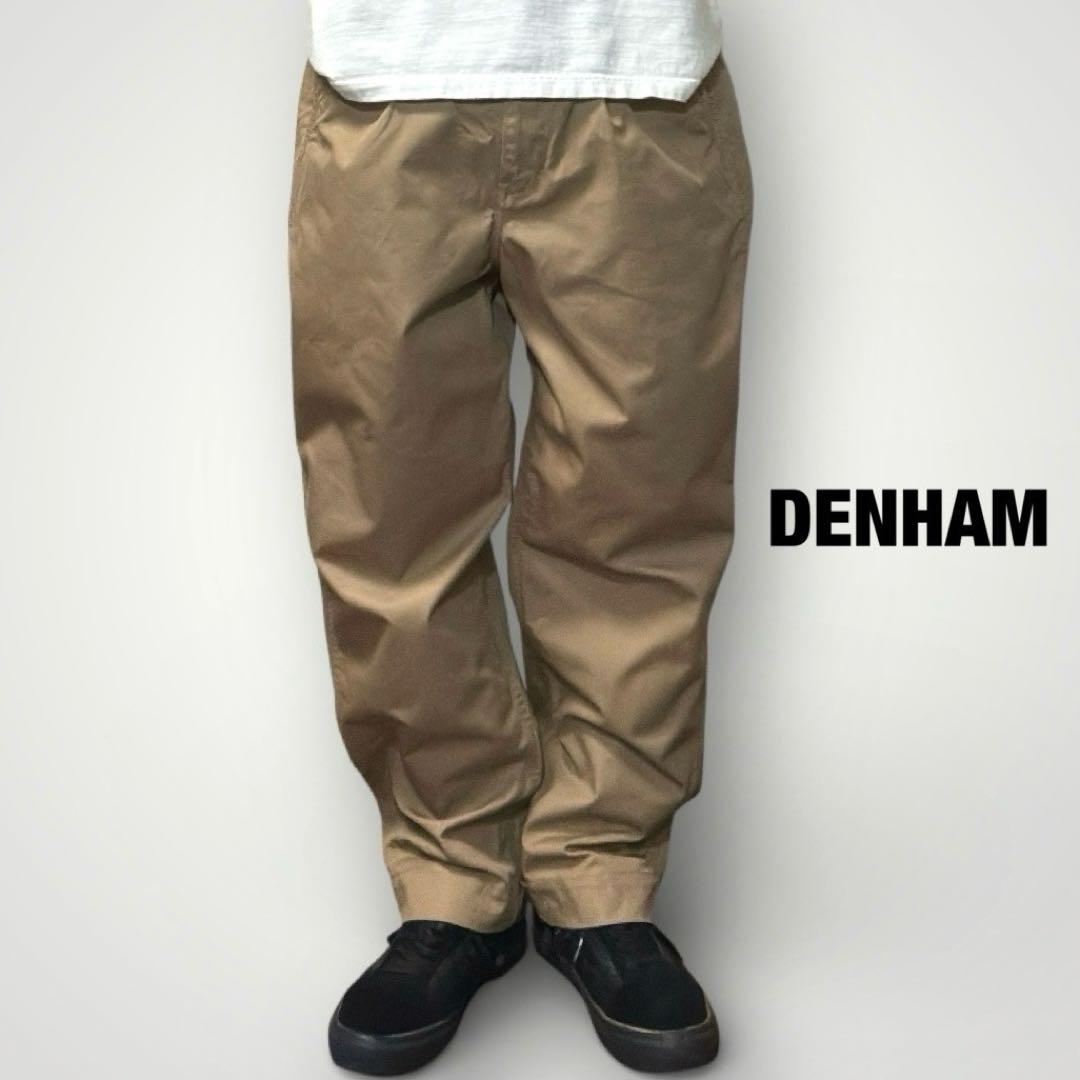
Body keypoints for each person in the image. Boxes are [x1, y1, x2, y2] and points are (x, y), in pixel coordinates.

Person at [287, 1, 753, 1073]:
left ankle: (600, 880)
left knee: (641, 514)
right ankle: (453, 885)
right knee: (389, 518)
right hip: (386, 85)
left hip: (638, 79)